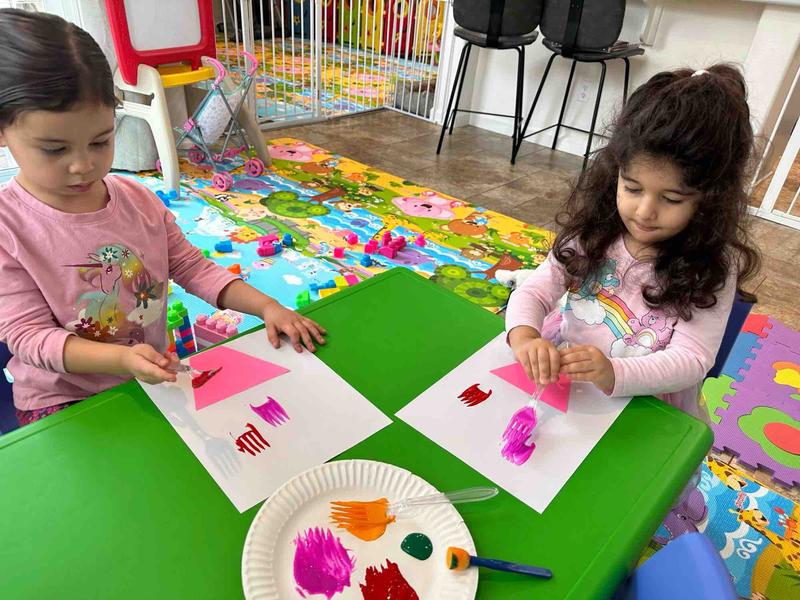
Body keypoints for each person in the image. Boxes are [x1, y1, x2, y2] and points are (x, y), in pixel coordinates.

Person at [0, 9, 325, 425]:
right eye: (54, 149)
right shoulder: (10, 230)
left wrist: (267, 306)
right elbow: (29, 338)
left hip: (147, 375)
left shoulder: (138, 199)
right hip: (63, 400)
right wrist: (120, 358)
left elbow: (191, 266)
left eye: (100, 141)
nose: (82, 165)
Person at [506, 64, 760, 420]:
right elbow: (535, 291)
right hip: (572, 388)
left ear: (709, 200)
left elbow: (692, 359)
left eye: (671, 199)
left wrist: (614, 372)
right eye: (632, 188)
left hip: (647, 405)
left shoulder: (711, 267)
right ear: (615, 174)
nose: (644, 211)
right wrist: (525, 337)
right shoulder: (595, 230)